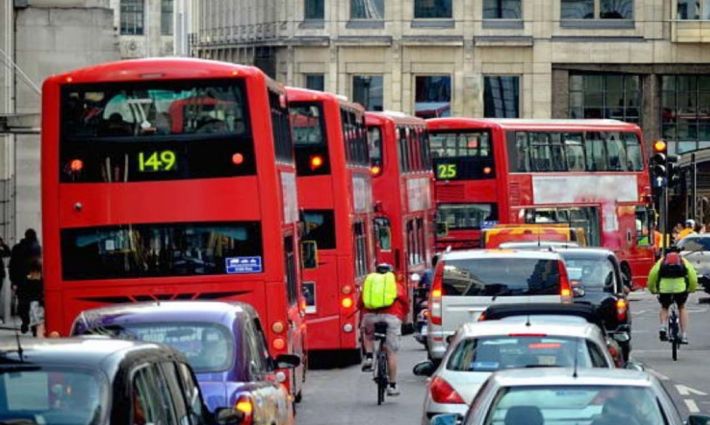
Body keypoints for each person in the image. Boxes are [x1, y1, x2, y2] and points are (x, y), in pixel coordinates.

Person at [359, 263, 408, 396]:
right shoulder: (396, 285)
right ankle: (392, 386)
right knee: (391, 353)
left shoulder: (368, 283)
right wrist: (403, 315)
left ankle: (369, 356)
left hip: (370, 316)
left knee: (367, 333)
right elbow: (405, 302)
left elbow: (360, 302)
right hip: (392, 317)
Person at [647, 245, 697, 344]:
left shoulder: (662, 261)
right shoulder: (683, 260)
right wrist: (691, 288)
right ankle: (684, 335)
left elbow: (652, 275)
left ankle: (663, 326)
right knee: (681, 307)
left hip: (664, 288)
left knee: (664, 307)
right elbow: (692, 275)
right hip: (680, 288)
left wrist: (652, 289)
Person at [9, 229, 41, 333]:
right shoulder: (37, 248)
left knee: (23, 302)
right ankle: (33, 322)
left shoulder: (17, 248)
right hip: (33, 277)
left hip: (21, 279)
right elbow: (39, 265)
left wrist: (13, 280)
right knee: (34, 301)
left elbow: (12, 265)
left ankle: (25, 321)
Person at [17, 259, 44, 337]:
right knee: (36, 315)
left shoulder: (26, 279)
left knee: (29, 314)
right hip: (35, 300)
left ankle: (27, 324)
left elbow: (20, 290)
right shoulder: (41, 279)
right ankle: (33, 327)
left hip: (26, 301)